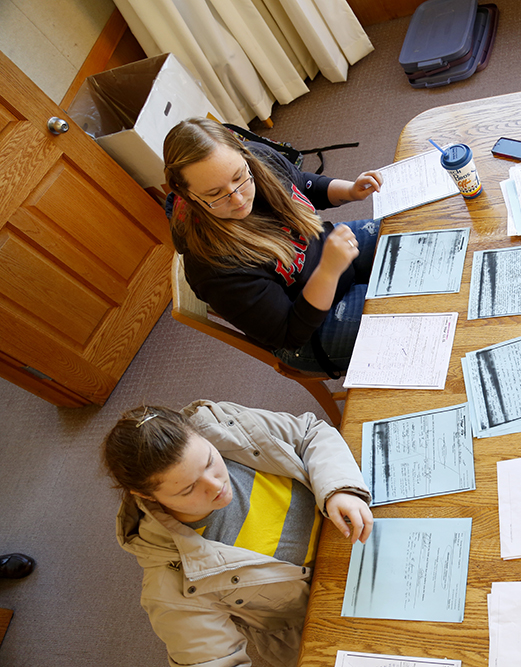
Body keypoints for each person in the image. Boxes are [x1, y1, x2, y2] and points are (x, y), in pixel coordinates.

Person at [102, 401, 373, 666]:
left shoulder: (221, 422)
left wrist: (339, 488)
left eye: (209, 461)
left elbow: (309, 432)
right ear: (145, 496)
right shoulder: (171, 587)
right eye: (187, 489)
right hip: (328, 606)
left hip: (354, 533)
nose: (216, 484)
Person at [163, 118, 384, 375]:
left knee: (411, 236)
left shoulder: (260, 159)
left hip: (327, 258)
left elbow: (300, 183)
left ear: (243, 154)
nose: (237, 198)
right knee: (413, 311)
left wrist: (350, 190)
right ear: (186, 193)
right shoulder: (212, 267)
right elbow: (290, 334)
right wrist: (328, 272)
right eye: (215, 194)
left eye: (239, 177)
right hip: (311, 330)